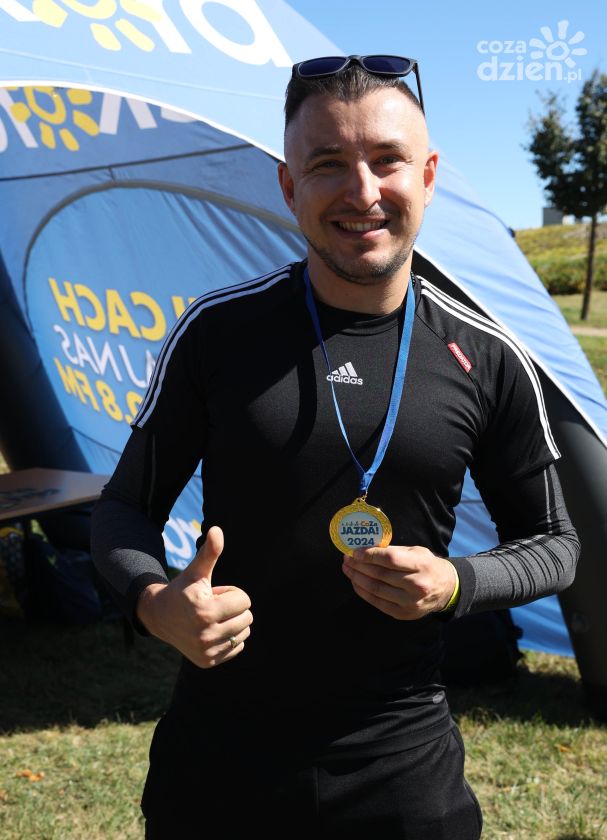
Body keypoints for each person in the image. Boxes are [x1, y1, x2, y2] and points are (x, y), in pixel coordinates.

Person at [91, 55, 579, 839]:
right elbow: (123, 508)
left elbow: (554, 543)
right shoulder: (218, 334)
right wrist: (155, 604)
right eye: (327, 165)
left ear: (427, 176)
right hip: (219, 765)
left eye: (386, 160)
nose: (361, 191)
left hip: (402, 767)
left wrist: (455, 581)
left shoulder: (488, 357)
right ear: (289, 186)